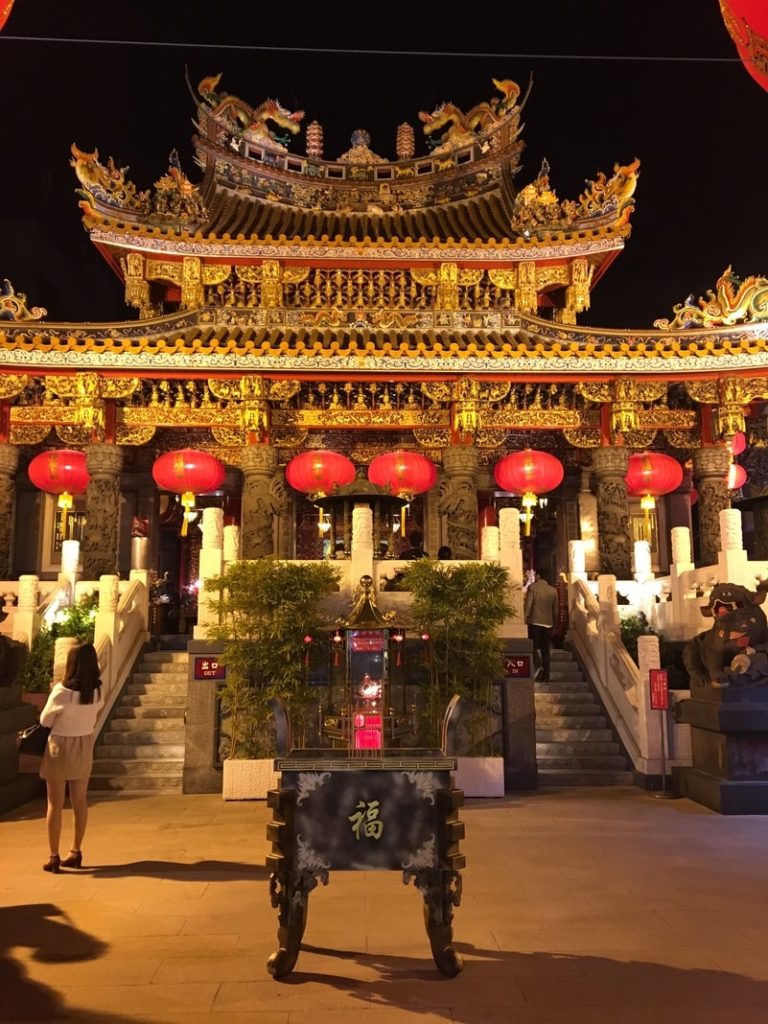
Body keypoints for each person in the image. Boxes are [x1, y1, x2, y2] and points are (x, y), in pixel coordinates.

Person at [39, 643, 103, 873]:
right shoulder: (97, 690)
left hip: (60, 745)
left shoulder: (62, 691)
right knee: (80, 801)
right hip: (84, 744)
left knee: (55, 804)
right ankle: (76, 851)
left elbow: (45, 720)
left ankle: (54, 855)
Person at [524, 570, 559, 682]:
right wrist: (554, 623)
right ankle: (547, 675)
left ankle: (537, 668)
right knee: (545, 650)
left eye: (535, 575)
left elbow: (528, 605)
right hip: (548, 624)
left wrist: (524, 619)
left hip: (535, 622)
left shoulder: (533, 587)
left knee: (533, 647)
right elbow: (555, 610)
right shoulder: (553, 591)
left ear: (538, 575)